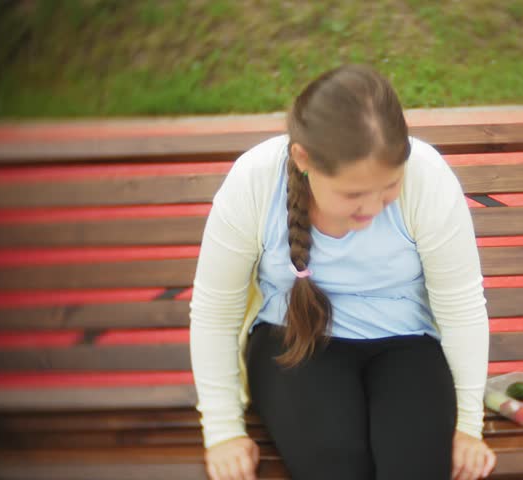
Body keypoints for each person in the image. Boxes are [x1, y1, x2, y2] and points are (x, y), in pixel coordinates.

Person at [190, 64, 496, 480]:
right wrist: (223, 431)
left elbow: (461, 308)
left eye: (389, 186)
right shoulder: (255, 181)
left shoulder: (428, 177)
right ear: (304, 159)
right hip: (293, 340)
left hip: (406, 344)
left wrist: (467, 427)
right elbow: (214, 313)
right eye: (352, 194)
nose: (371, 208)